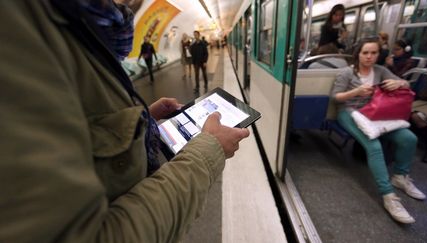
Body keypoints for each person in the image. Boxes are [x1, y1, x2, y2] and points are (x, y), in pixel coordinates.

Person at [0, 1, 250, 242]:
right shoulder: (20, 26)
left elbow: (79, 125)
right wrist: (208, 152)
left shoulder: (84, 26)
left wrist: (142, 124)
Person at [331, 38, 426, 224]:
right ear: (358, 54)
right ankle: (388, 196)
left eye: (373, 53)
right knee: (374, 146)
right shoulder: (346, 73)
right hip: (349, 112)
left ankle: (400, 176)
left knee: (409, 138)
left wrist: (401, 84)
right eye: (365, 53)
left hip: (374, 113)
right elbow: (336, 98)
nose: (369, 57)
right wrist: (356, 92)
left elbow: (404, 84)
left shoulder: (381, 71)